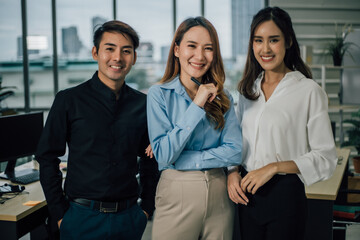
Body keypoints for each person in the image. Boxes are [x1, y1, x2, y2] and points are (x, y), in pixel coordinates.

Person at [35, 20, 158, 240]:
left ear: (134, 58)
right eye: (109, 49)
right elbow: (47, 157)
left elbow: (151, 158)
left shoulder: (144, 104)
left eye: (126, 51)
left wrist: (146, 208)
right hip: (80, 218)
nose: (117, 58)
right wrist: (60, 214)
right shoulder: (69, 100)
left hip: (129, 218)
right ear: (95, 53)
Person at [227, 6, 338, 240]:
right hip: (247, 196)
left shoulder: (309, 91)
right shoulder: (248, 91)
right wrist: (232, 172)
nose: (265, 49)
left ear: (288, 41)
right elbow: (235, 143)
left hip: (286, 196)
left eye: (273, 40)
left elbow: (326, 157)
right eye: (258, 40)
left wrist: (274, 167)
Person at [146, 16, 242, 240]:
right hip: (176, 195)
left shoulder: (224, 97)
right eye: (192, 46)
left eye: (208, 48)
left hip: (220, 196)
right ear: (177, 50)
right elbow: (164, 153)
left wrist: (182, 160)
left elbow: (235, 151)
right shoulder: (158, 95)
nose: (200, 56)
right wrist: (197, 104)